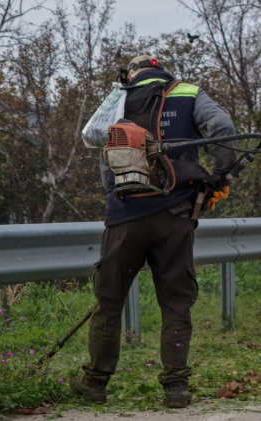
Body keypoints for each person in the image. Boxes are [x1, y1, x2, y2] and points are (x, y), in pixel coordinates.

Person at [70, 55, 237, 408]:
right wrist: (220, 175)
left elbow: (103, 153)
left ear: (132, 73)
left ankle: (95, 384)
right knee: (176, 302)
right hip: (175, 216)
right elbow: (223, 129)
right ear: (161, 70)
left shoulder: (116, 99)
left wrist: (116, 200)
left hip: (125, 218)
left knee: (109, 302)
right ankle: (176, 388)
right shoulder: (189, 92)